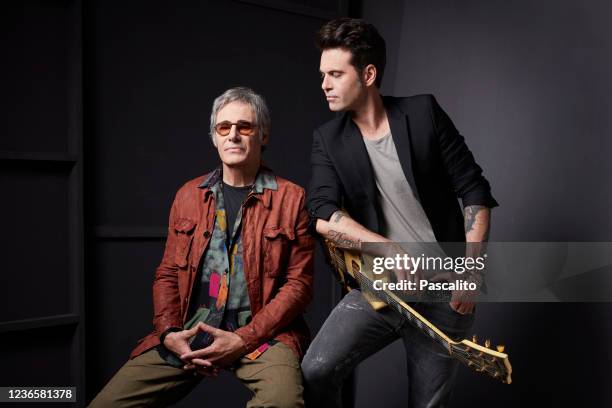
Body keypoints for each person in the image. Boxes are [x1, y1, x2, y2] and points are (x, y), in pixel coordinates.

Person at [302, 18, 498, 407]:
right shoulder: (328, 139)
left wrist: (471, 272)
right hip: (383, 285)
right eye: (323, 74)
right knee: (316, 370)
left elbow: (474, 189)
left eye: (336, 74)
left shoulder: (423, 113)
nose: (324, 84)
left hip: (445, 286)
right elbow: (322, 214)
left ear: (369, 73)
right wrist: (387, 248)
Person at [89, 87, 314, 408]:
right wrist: (168, 333)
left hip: (262, 334)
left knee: (283, 403)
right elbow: (167, 273)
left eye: (244, 127)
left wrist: (242, 339)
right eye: (224, 127)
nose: (233, 135)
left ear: (263, 135)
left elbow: (300, 284)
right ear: (214, 137)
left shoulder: (292, 198)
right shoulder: (188, 195)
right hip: (191, 331)